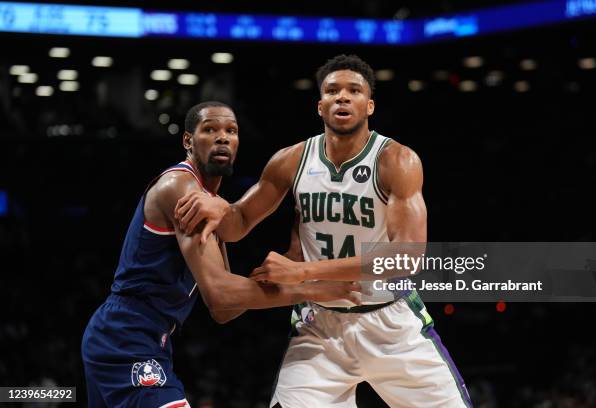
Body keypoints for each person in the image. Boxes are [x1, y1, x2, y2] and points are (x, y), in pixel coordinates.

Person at [176, 55, 472, 407]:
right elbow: (238, 223)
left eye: (354, 91)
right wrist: (214, 203)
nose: (342, 97)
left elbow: (406, 258)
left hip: (391, 323)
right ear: (320, 106)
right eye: (332, 91)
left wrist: (303, 272)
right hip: (319, 327)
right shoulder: (292, 160)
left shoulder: (396, 160)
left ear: (369, 105)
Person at [81, 101, 361, 408]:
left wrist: (285, 268)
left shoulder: (210, 202)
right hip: (126, 335)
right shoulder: (181, 187)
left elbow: (225, 311)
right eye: (210, 129)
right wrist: (314, 289)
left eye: (231, 130)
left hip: (144, 337)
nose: (223, 137)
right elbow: (221, 296)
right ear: (188, 141)